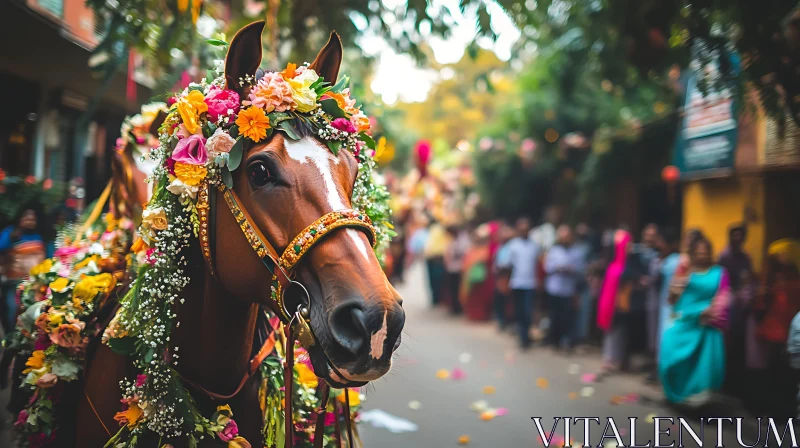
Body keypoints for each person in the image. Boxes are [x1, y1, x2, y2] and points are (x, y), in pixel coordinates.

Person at [660, 235, 730, 407]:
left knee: (703, 361)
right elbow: (671, 298)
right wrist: (678, 283)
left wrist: (712, 312)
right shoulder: (685, 270)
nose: (702, 254)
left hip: (707, 321)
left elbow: (724, 297)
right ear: (693, 253)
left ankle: (697, 395)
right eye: (698, 251)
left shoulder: (719, 272)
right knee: (669, 350)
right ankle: (677, 393)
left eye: (705, 251)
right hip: (685, 320)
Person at [750, 239, 800, 418]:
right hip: (773, 327)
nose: (782, 257)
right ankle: (766, 409)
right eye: (779, 254)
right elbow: (761, 301)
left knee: (788, 369)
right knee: (770, 368)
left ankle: (783, 409)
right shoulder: (770, 275)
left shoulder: (794, 274)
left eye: (785, 253)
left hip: (791, 326)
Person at [716, 223, 755, 399]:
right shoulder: (723, 258)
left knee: (739, 343)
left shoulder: (745, 258)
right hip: (726, 303)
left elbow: (748, 279)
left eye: (741, 236)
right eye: (735, 235)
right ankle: (723, 382)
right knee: (726, 342)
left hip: (740, 306)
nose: (738, 239)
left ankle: (735, 384)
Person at [0, 207, 46, 331]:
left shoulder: (37, 236)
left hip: (34, 285)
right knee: (12, 310)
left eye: (32, 219)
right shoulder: (10, 233)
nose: (30, 222)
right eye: (27, 218)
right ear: (19, 219)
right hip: (13, 282)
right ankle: (10, 340)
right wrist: (12, 237)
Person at [597, 229, 632, 374]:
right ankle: (609, 358)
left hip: (623, 306)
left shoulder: (625, 265)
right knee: (612, 332)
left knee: (621, 332)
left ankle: (617, 359)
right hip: (614, 306)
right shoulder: (615, 267)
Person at [544, 224, 583, 351]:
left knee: (566, 317)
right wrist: (557, 268)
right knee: (554, 316)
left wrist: (570, 270)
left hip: (568, 290)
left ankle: (565, 341)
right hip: (554, 288)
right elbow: (547, 267)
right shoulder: (554, 251)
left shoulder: (576, 252)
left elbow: (580, 270)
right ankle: (553, 340)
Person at [506, 218, 539, 348]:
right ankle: (521, 334)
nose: (524, 232)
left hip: (530, 284)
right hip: (517, 283)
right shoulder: (513, 245)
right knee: (519, 311)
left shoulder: (534, 246)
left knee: (527, 311)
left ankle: (525, 336)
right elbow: (508, 265)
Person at [460, 224, 495, 321]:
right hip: (471, 278)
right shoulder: (472, 249)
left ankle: (482, 316)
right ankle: (473, 315)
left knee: (482, 298)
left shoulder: (487, 249)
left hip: (483, 278)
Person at [493, 223, 515, 330]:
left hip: (508, 276)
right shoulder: (500, 246)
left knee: (508, 301)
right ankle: (501, 320)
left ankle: (508, 321)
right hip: (500, 277)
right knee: (500, 300)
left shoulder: (512, 247)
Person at [444, 224, 470, 315]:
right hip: (453, 268)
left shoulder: (462, 241)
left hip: (458, 268)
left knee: (457, 289)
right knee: (453, 289)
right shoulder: (454, 241)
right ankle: (455, 306)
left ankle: (458, 307)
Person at [423, 219, 450, 307]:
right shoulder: (438, 229)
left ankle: (436, 298)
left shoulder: (436, 229)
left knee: (434, 279)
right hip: (436, 257)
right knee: (437, 279)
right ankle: (437, 298)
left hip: (435, 257)